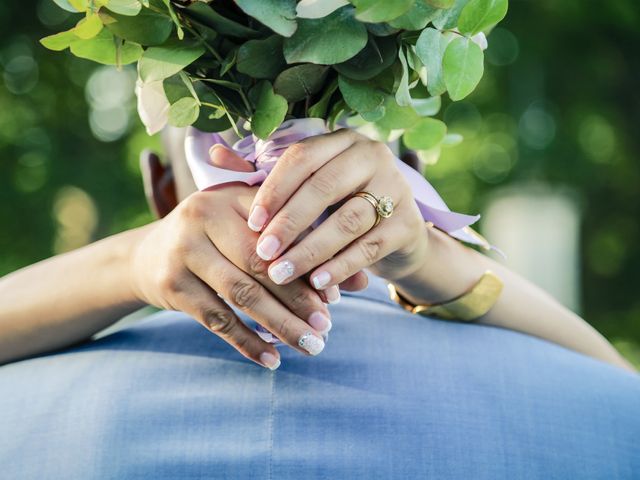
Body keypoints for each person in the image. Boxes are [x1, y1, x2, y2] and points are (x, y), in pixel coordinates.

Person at [0, 126, 638, 479]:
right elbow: (616, 388)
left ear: (161, 186)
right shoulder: (605, 415)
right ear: (412, 167)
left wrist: (126, 261)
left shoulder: (19, 414)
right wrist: (431, 260)